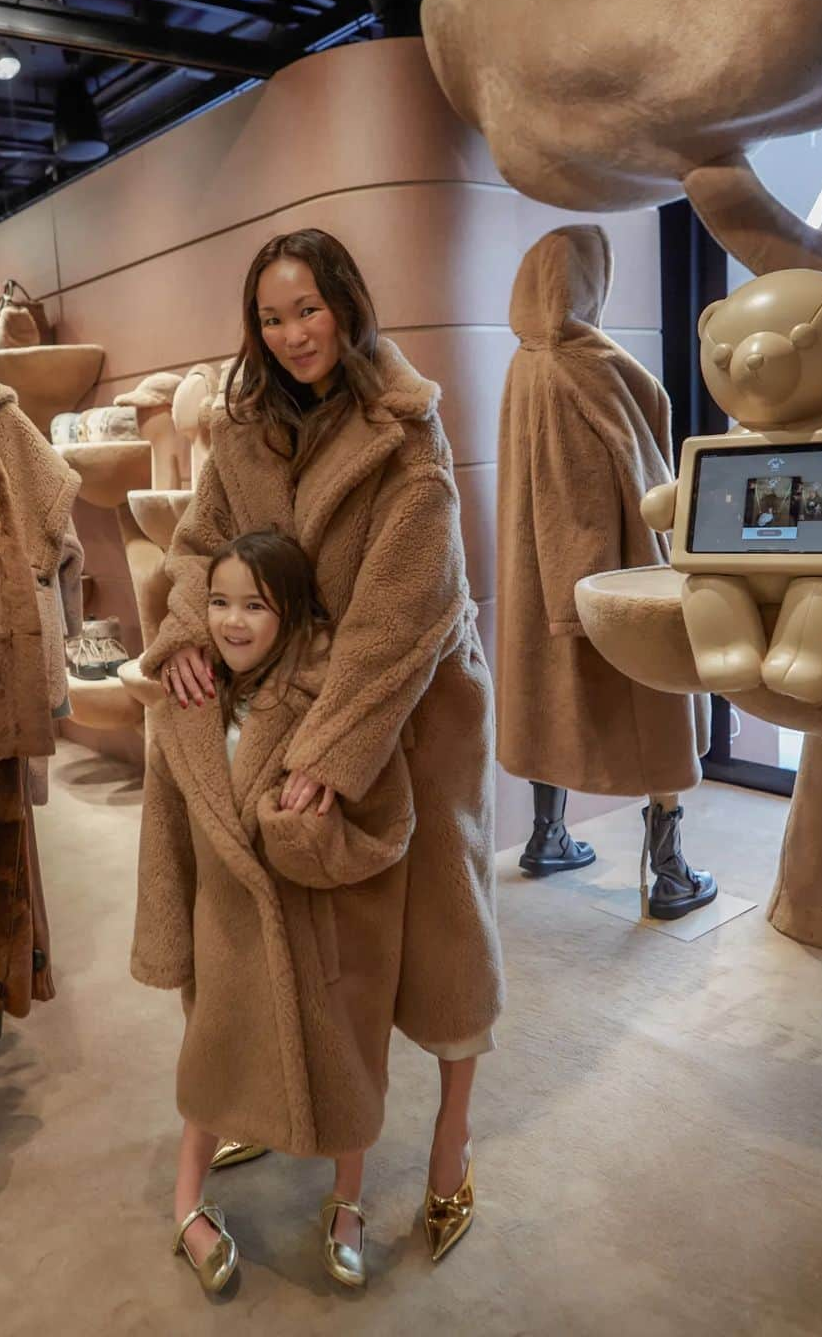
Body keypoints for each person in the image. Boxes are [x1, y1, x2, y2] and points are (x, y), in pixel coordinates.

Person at [140, 228, 504, 1264]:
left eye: (308, 307)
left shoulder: (407, 434)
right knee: (288, 925)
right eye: (270, 315)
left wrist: (331, 749)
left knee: (443, 940)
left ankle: (451, 1141)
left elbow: (401, 612)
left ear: (345, 302)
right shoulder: (246, 428)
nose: (292, 332)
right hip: (288, 691)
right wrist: (180, 638)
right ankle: (269, 1086)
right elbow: (200, 541)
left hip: (415, 704)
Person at [132, 531, 417, 1291]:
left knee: (346, 1070)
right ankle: (187, 1206)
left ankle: (347, 1200)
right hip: (223, 928)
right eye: (219, 602)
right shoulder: (183, 708)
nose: (231, 622)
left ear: (290, 614)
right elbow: (163, 832)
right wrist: (168, 938)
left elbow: (388, 822)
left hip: (317, 929)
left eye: (254, 605)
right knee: (209, 1068)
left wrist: (305, 832)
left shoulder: (331, 709)